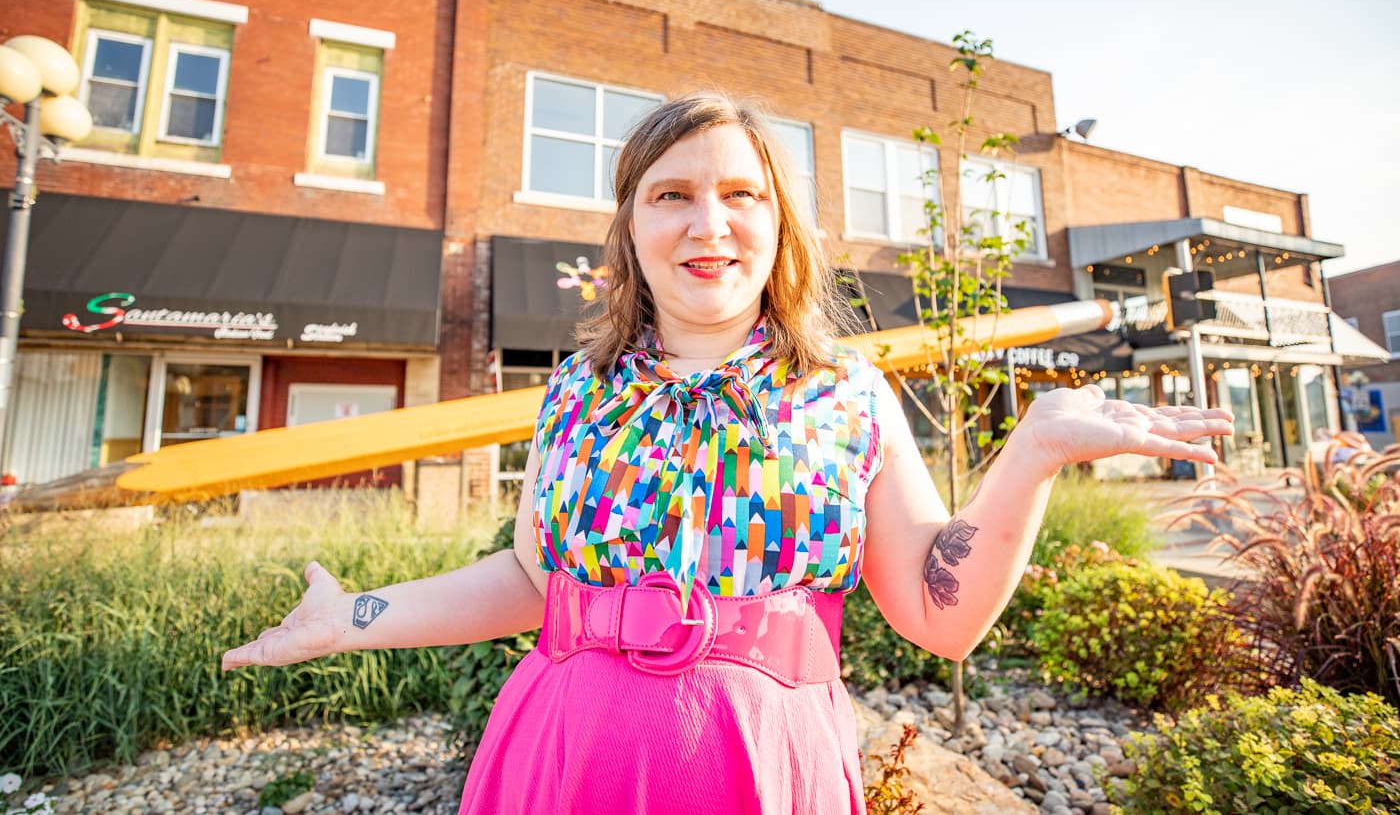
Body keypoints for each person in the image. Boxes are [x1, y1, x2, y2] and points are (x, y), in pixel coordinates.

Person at [222, 91, 1234, 813]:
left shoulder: (846, 393)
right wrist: (351, 618)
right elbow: (532, 581)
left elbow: (942, 618)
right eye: (670, 195)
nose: (708, 223)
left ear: (777, 224)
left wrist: (1033, 453)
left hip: (762, 770)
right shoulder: (574, 398)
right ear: (628, 225)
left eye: (740, 195)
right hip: (559, 763)